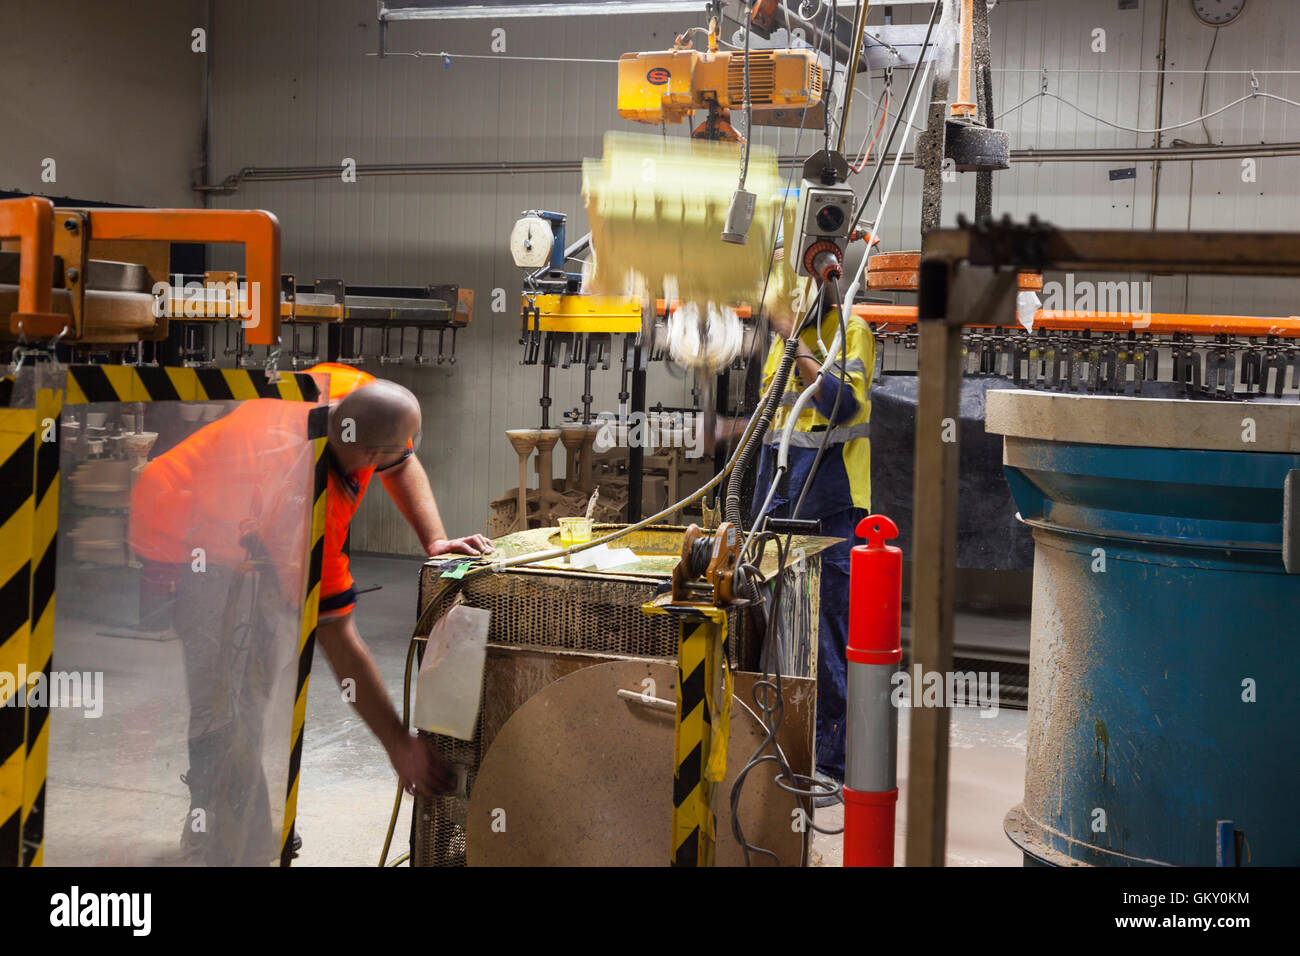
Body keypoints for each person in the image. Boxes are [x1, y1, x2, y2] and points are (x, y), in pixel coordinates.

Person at [130, 361, 492, 863]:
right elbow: (337, 639)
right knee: (228, 696)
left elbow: (400, 459)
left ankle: (241, 817)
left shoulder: (353, 394)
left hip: (235, 511)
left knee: (248, 680)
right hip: (181, 529)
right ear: (367, 454)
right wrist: (397, 744)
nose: (406, 452)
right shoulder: (302, 510)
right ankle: (236, 839)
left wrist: (434, 539)